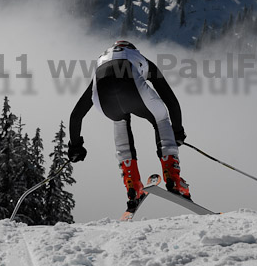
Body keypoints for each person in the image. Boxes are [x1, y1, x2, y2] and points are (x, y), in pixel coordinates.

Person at [67, 40, 189, 212]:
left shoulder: (101, 63)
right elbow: (171, 101)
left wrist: (75, 146)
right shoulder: (141, 59)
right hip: (134, 91)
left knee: (120, 121)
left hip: (104, 101)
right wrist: (176, 131)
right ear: (133, 49)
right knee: (161, 118)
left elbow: (76, 115)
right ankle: (173, 178)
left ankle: (132, 186)